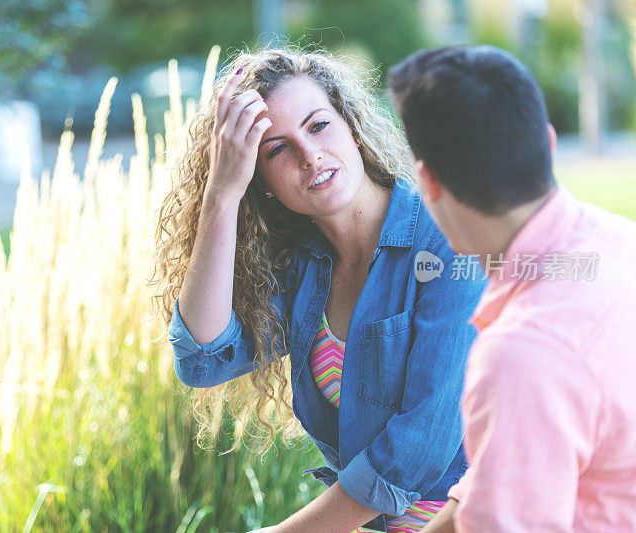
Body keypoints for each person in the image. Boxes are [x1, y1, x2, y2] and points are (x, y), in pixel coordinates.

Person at [154, 48, 486, 532]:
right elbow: (203, 359)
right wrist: (221, 194)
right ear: (260, 181)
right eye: (277, 149)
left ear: (351, 126)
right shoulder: (302, 268)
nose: (310, 157)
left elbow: (420, 447)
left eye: (318, 126)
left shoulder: (451, 240)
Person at [388, 45, 636, 532]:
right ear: (547, 141)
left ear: (427, 183)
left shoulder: (522, 355)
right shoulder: (619, 239)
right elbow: (496, 477)